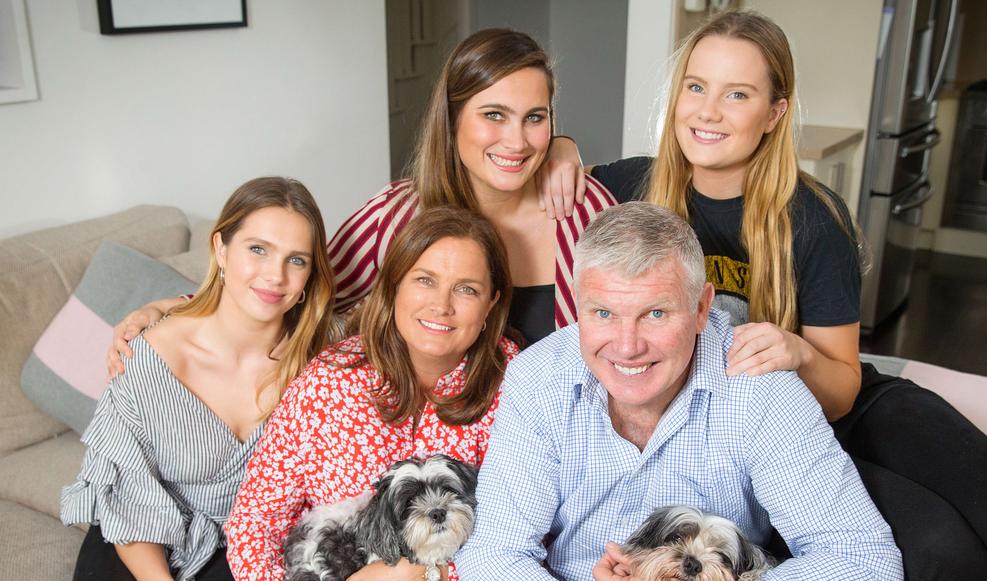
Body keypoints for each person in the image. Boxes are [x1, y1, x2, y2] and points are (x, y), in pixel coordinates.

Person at [541, 10, 987, 581]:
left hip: (843, 404)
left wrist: (796, 350)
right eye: (696, 88)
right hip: (779, 449)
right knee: (945, 551)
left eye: (737, 94)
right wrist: (561, 145)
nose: (709, 112)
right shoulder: (632, 188)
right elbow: (543, 167)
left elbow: (844, 386)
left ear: (775, 112)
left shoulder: (810, 216)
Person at [404, 202, 903, 581]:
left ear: (701, 307)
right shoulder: (539, 377)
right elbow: (496, 558)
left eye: (656, 314)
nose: (626, 346)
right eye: (603, 313)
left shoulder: (764, 393)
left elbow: (868, 565)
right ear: (577, 305)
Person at [211, 205, 516, 581]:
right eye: (424, 279)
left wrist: (420, 576)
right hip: (316, 578)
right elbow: (256, 514)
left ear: (493, 301)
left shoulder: (517, 389)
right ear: (394, 284)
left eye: (467, 288)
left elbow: (530, 534)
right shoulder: (333, 379)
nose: (441, 305)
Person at [106, 28, 614, 365]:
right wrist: (176, 309)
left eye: (535, 118)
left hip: (556, 470)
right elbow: (299, 287)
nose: (517, 141)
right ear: (453, 118)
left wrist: (566, 150)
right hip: (429, 474)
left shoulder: (587, 211)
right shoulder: (397, 215)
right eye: (494, 115)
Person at [54, 176, 337, 581]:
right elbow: (124, 486)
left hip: (239, 538)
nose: (274, 275)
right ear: (221, 250)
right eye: (257, 249)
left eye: (296, 260)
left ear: (312, 273)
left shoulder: (319, 364)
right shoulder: (151, 351)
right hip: (139, 517)